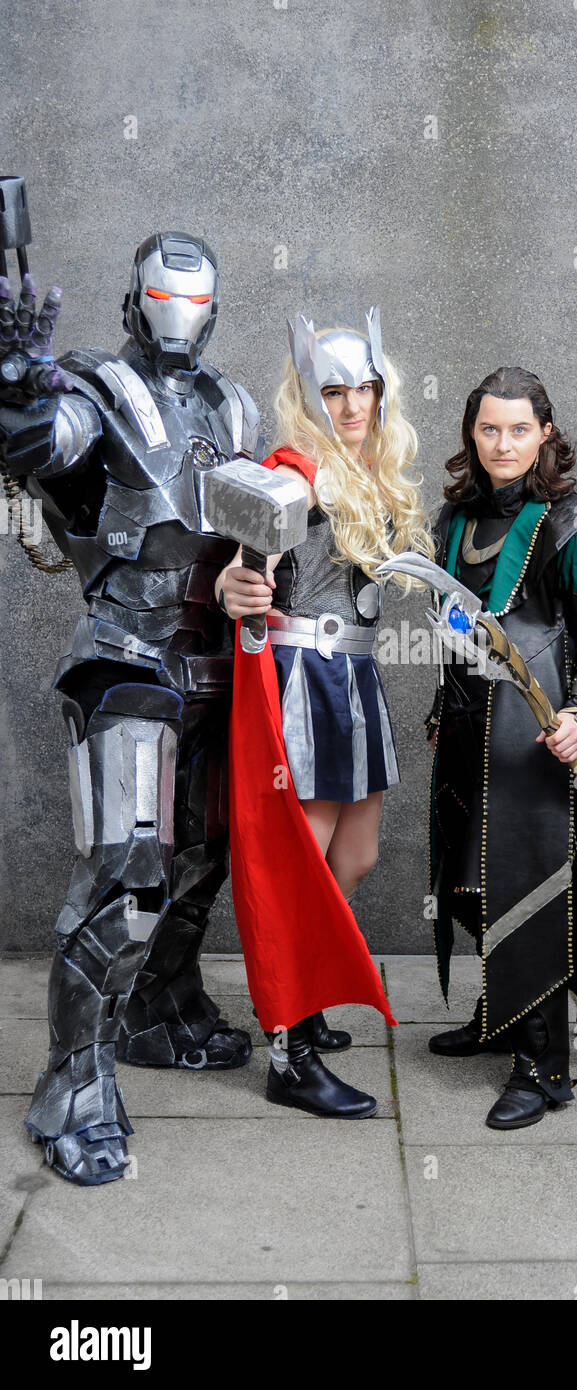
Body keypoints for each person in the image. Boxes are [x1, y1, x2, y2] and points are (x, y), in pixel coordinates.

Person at [0, 228, 263, 1185]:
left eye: (192, 301)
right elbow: (44, 440)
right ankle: (72, 1081)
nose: (176, 317)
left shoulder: (233, 403)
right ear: (132, 302)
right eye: (160, 297)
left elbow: (253, 521)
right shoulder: (98, 389)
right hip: (124, 661)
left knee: (199, 858)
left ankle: (157, 1007)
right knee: (130, 876)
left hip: (213, 657)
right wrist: (20, 382)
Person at [215, 309, 433, 1117]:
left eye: (364, 390)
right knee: (298, 867)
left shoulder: (371, 471)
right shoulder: (293, 472)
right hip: (303, 676)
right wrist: (233, 590)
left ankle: (304, 998)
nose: (350, 406)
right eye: (332, 391)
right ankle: (289, 1046)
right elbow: (242, 572)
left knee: (358, 855)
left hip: (356, 678)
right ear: (306, 394)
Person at [424, 366, 577, 1129]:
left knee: (526, 889)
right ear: (470, 434)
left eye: (518, 429)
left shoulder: (571, 526)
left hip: (534, 735)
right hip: (464, 728)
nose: (502, 443)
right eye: (487, 428)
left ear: (544, 432)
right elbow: (454, 626)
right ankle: (504, 1011)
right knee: (462, 884)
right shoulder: (454, 520)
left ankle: (545, 1063)